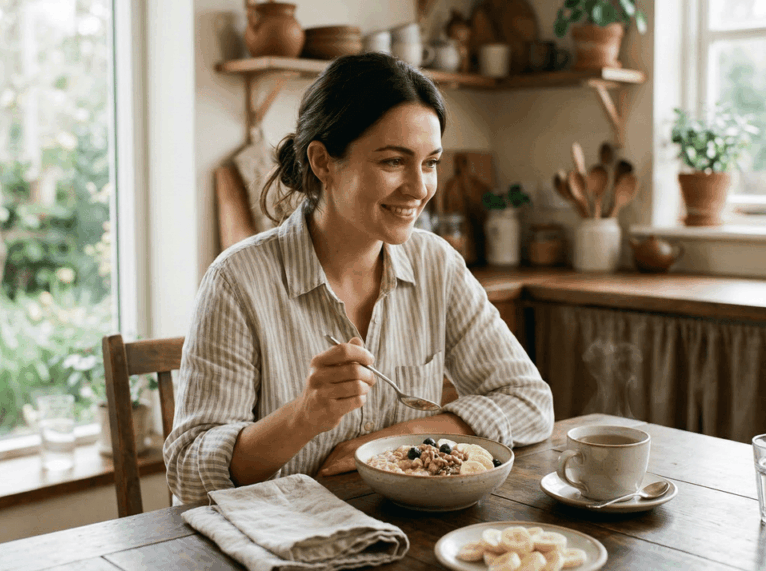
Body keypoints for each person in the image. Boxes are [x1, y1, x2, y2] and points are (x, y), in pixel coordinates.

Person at [164, 53, 553, 503]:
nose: (419, 188)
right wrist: (304, 416)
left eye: (430, 163)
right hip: (279, 533)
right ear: (323, 162)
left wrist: (400, 438)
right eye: (393, 162)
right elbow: (189, 475)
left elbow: (530, 403)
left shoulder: (437, 264)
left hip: (405, 526)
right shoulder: (237, 281)